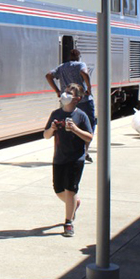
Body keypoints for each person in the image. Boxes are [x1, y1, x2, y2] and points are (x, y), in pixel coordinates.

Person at [43, 83, 94, 238]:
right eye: (65, 92)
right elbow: (45, 135)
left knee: (70, 189)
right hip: (59, 157)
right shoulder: (55, 114)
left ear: (77, 99)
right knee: (58, 190)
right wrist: (52, 128)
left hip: (75, 158)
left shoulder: (81, 116)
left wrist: (75, 129)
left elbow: (89, 137)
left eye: (69, 93)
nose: (65, 95)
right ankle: (74, 204)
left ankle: (68, 222)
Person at [46, 49, 96, 160]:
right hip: (83, 100)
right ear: (79, 57)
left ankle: (67, 151)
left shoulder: (62, 67)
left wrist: (57, 91)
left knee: (66, 127)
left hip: (67, 102)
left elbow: (48, 75)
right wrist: (89, 87)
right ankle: (85, 151)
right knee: (88, 127)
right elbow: (84, 73)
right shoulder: (80, 64)